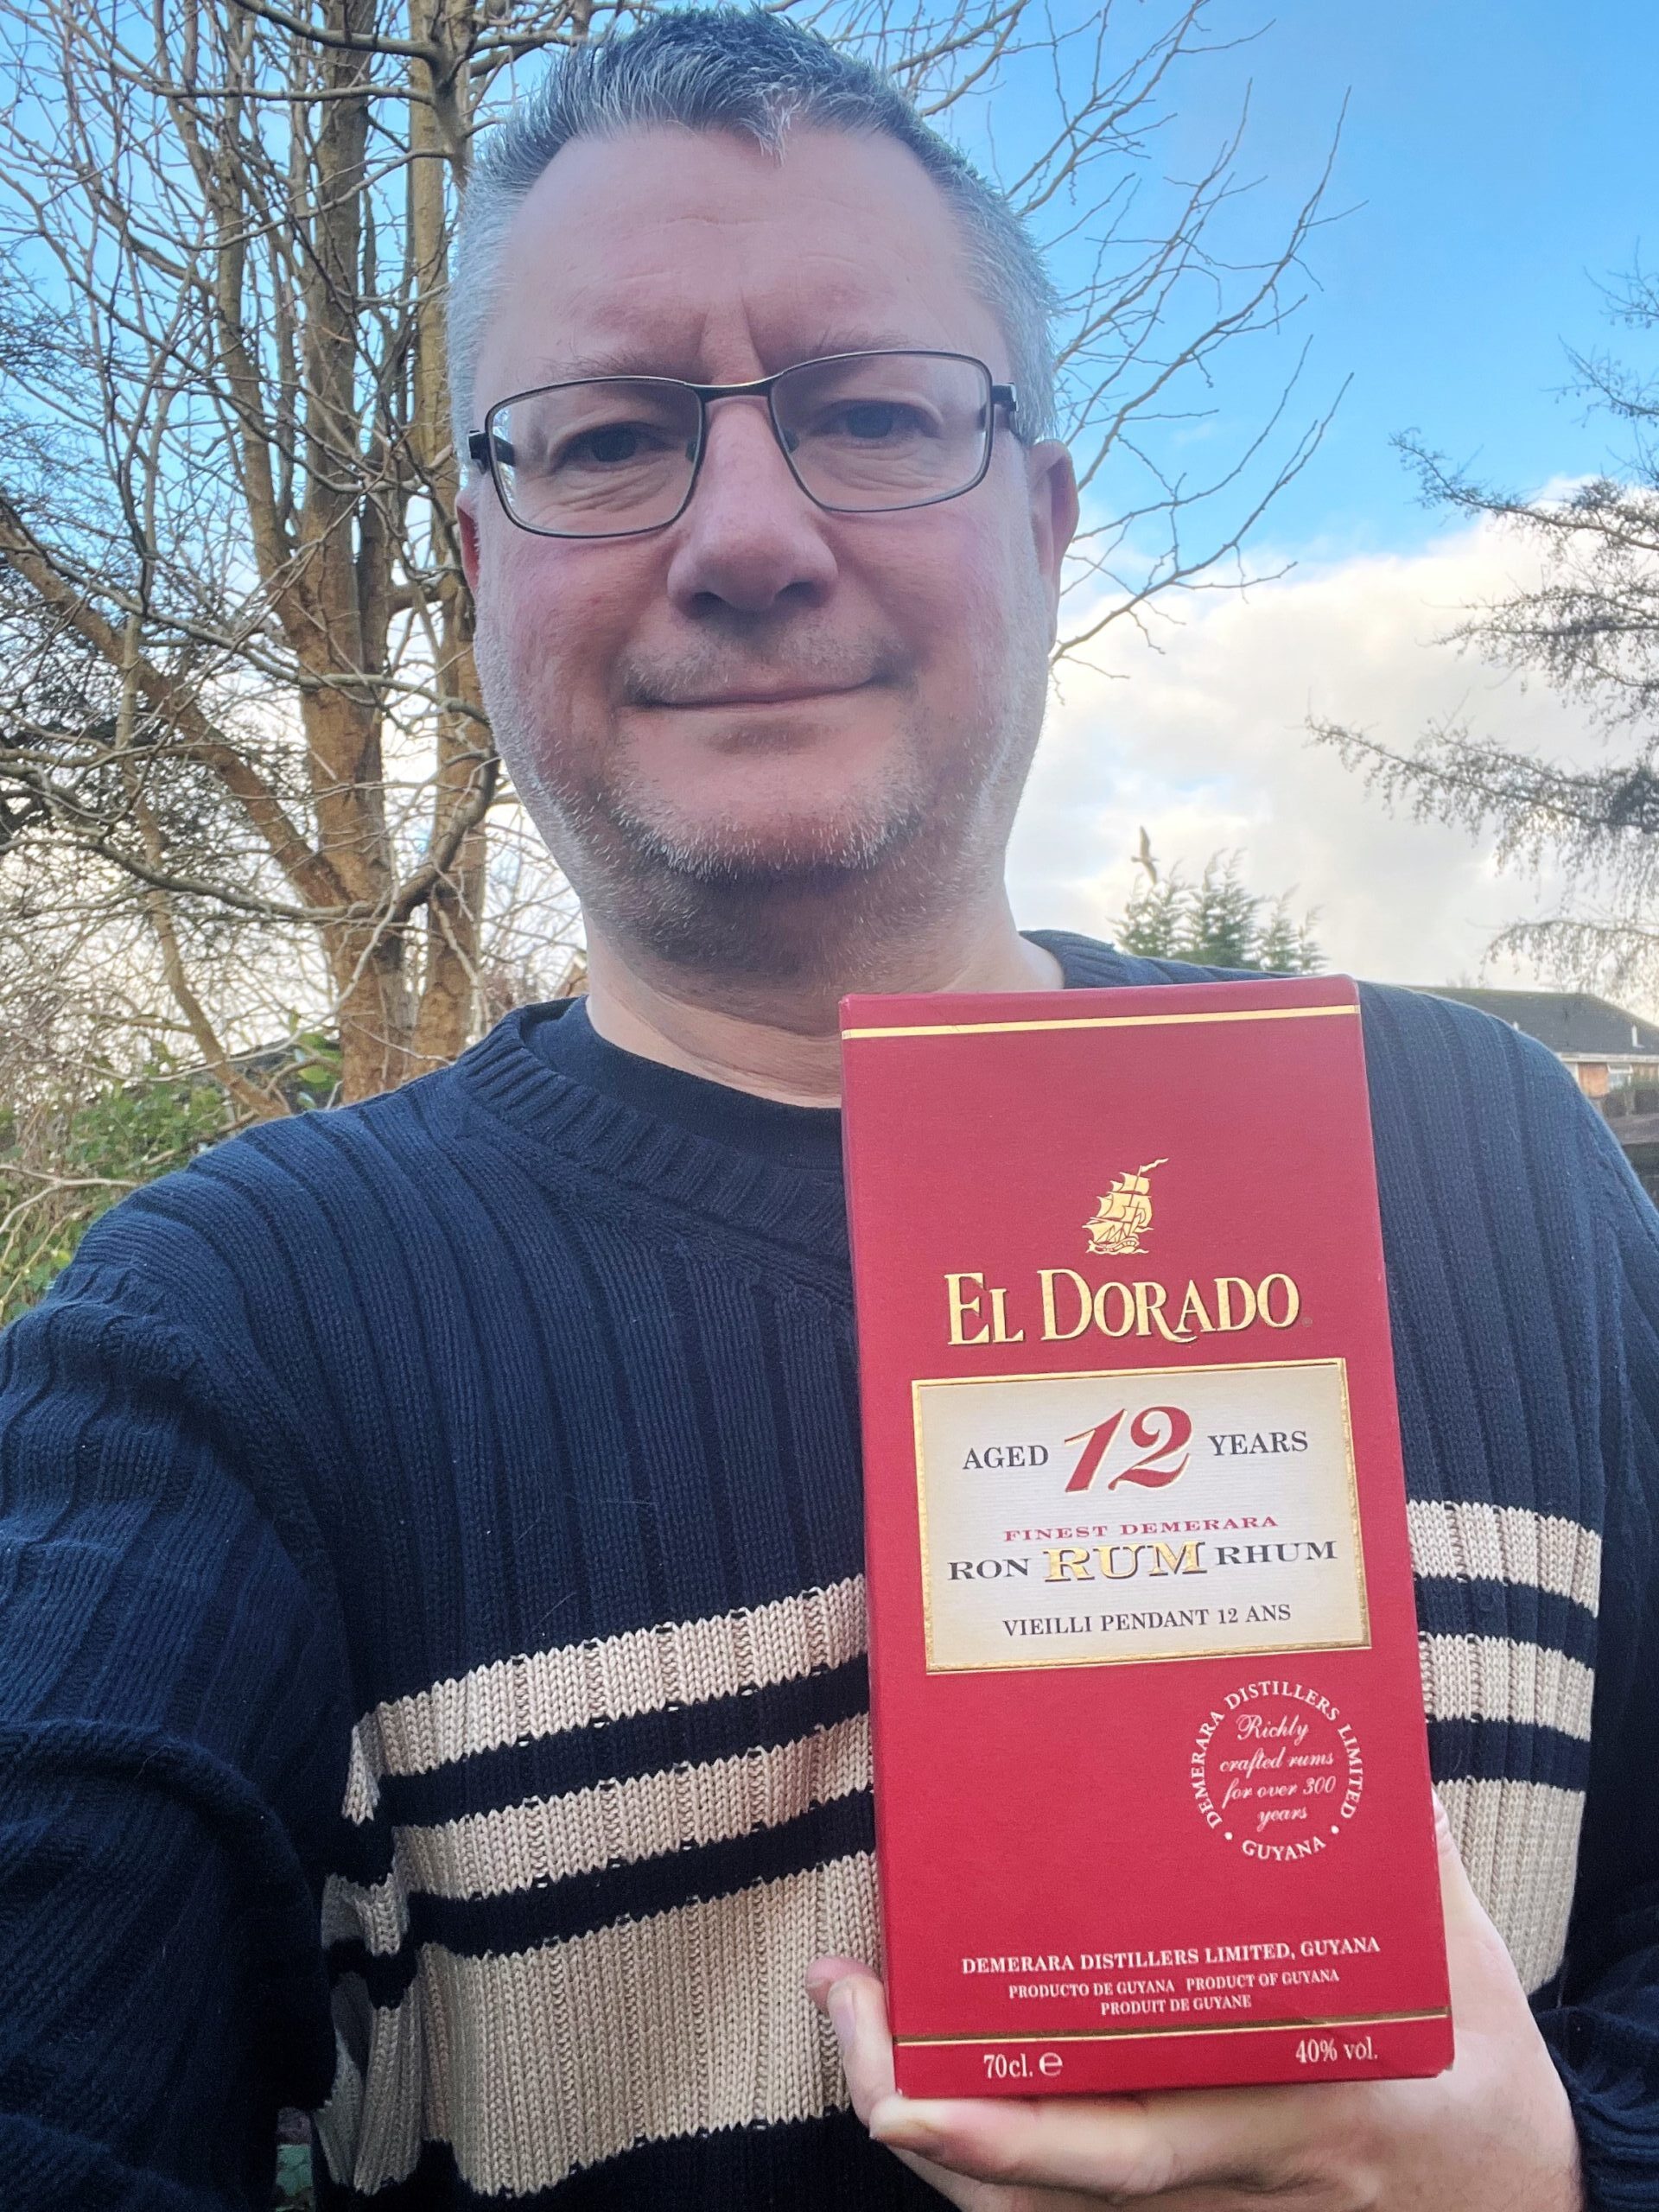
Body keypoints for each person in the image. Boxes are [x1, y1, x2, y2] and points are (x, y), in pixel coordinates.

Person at [0, 10, 1654, 2209]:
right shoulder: (228, 1335)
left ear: (1046, 524)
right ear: (479, 567)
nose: (752, 536)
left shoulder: (1494, 1163)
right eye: (609, 438)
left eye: (873, 412)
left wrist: (1556, 2175)